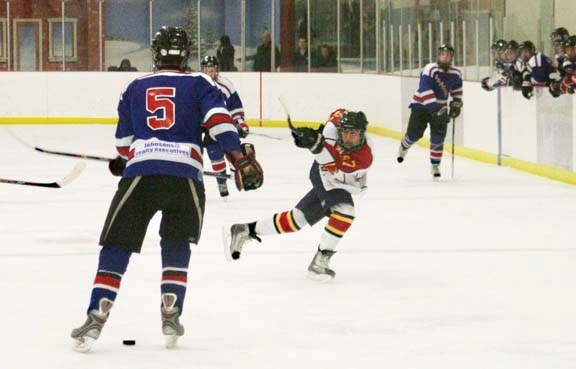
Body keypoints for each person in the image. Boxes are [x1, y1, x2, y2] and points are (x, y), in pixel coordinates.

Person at [70, 26, 264, 353]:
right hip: (186, 176)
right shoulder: (201, 83)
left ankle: (97, 313)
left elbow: (124, 145)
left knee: (117, 242)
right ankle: (171, 313)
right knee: (177, 242)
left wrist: (123, 161)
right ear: (186, 54)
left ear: (156, 53)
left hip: (142, 174)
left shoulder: (133, 86)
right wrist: (237, 156)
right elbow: (219, 122)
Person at [222, 109, 373, 280]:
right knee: (345, 211)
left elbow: (332, 160)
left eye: (353, 133)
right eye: (345, 132)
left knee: (297, 220)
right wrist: (315, 137)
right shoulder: (334, 125)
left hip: (336, 179)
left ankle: (245, 230)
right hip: (323, 175)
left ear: (362, 134)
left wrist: (315, 144)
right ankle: (320, 264)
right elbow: (334, 119)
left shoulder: (365, 157)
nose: (347, 138)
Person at [396, 44, 463, 178]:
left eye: (448, 55)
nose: (445, 57)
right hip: (421, 106)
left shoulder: (456, 73)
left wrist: (456, 104)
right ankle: (404, 146)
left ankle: (435, 165)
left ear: (452, 57)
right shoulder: (430, 69)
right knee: (414, 134)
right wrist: (435, 110)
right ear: (438, 55)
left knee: (438, 138)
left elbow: (457, 91)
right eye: (443, 54)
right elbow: (425, 90)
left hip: (440, 108)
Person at [200, 55, 249, 198]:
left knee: (218, 149)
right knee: (195, 149)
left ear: (217, 70)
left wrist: (240, 121)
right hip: (200, 123)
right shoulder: (197, 84)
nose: (210, 73)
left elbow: (235, 106)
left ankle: (227, 176)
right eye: (207, 70)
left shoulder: (226, 85)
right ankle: (199, 178)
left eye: (213, 70)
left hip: (219, 122)